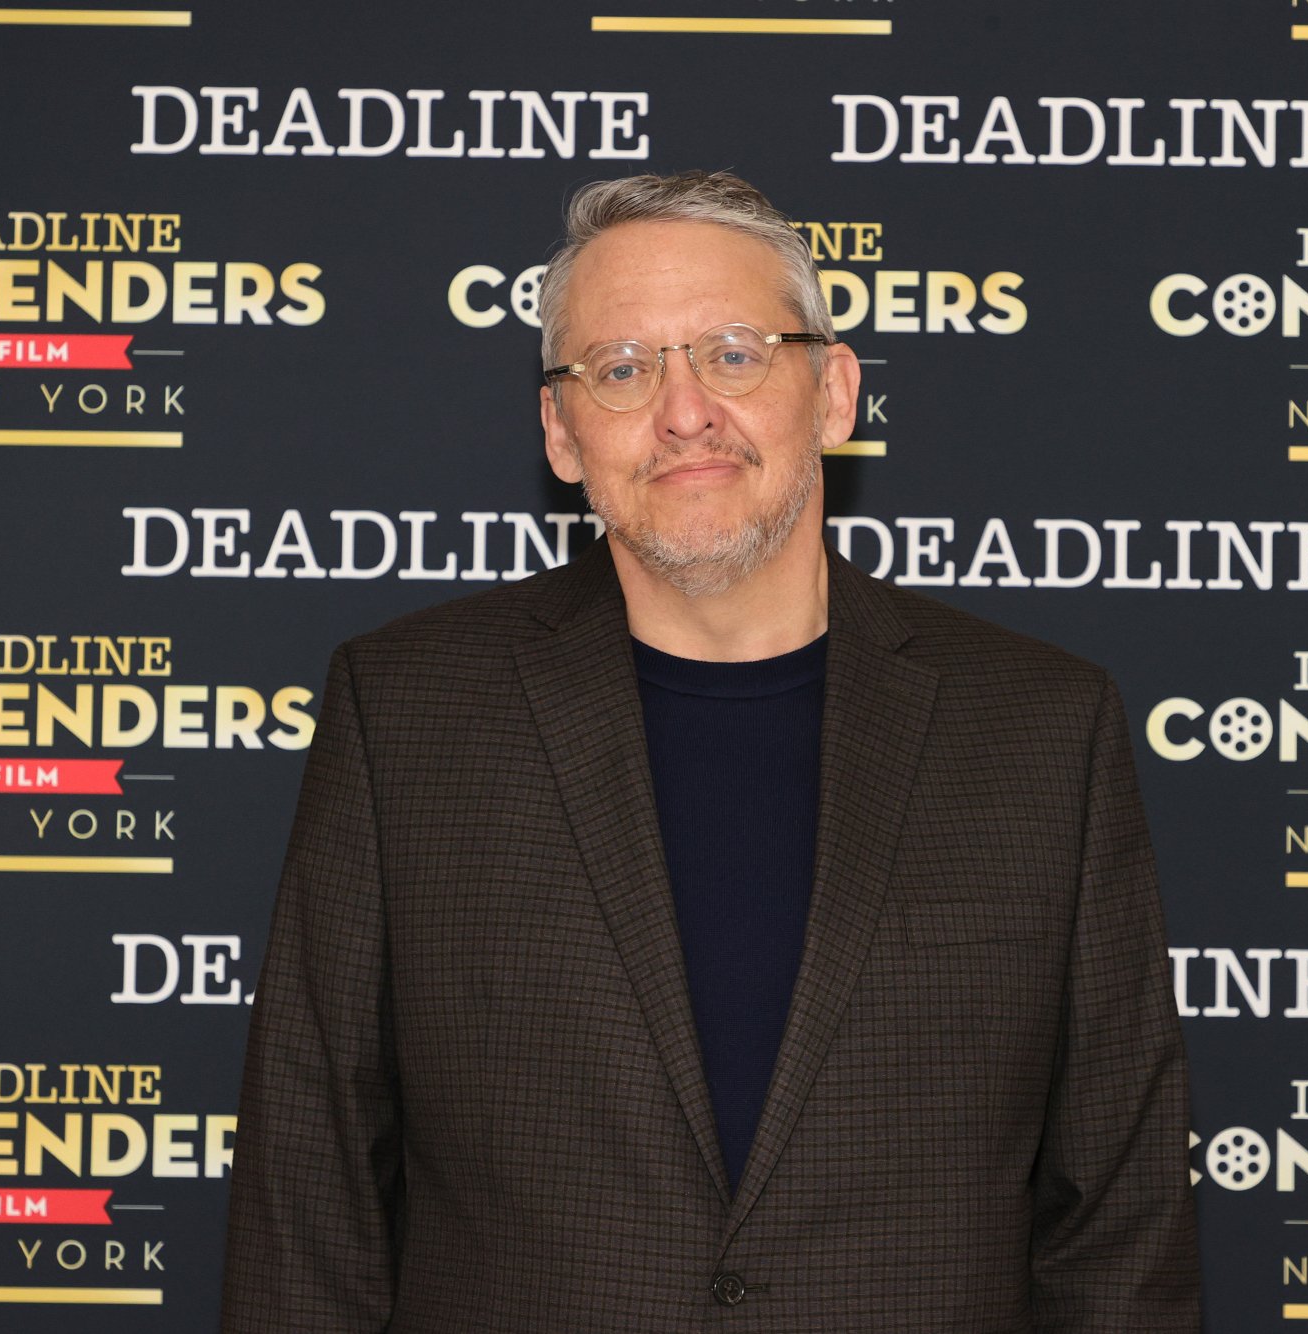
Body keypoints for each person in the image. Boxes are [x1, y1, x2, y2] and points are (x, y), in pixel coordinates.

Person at [221, 170, 1200, 1332]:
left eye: (733, 352)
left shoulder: (1042, 727)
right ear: (559, 431)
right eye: (621, 369)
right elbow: (307, 1186)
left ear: (832, 391)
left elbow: (1119, 1220)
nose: (683, 411)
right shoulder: (407, 712)